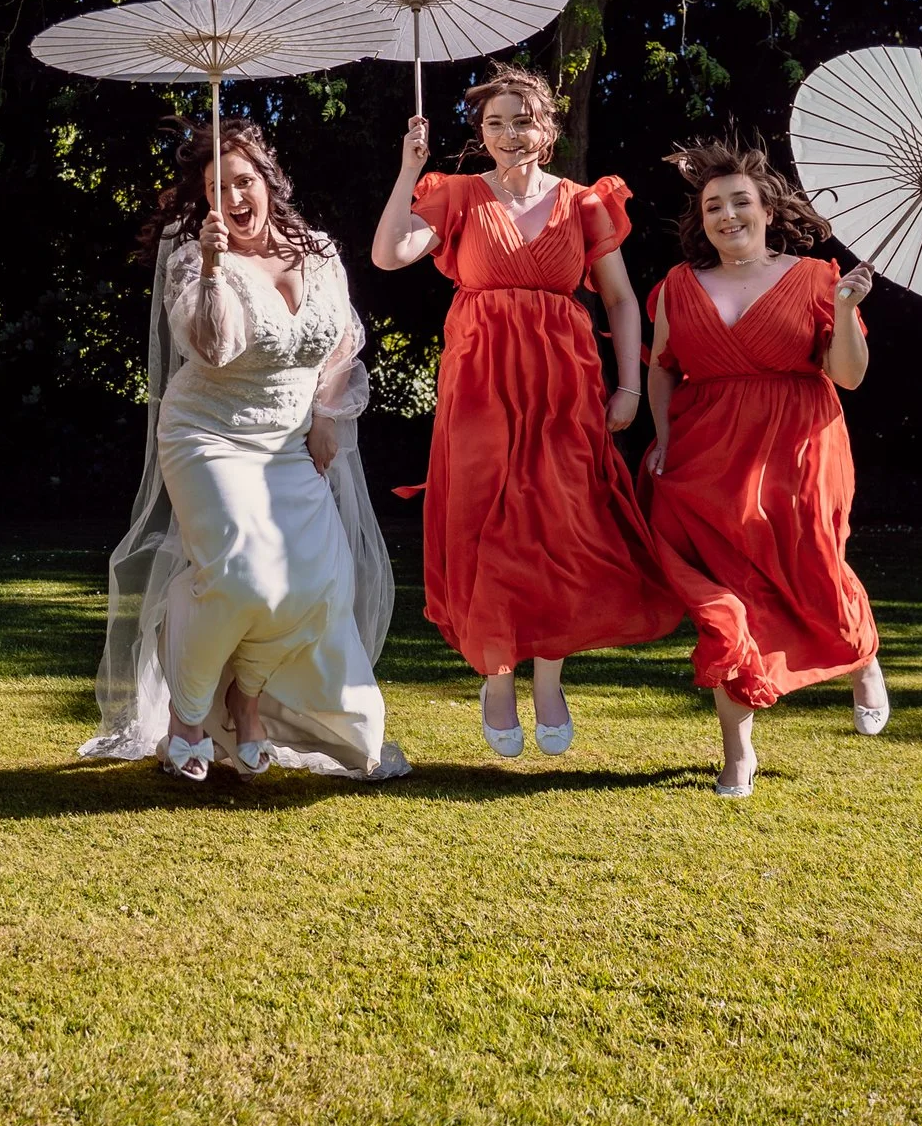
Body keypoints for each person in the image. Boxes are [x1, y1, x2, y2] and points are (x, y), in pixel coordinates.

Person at [371, 65, 680, 758]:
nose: (511, 134)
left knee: (561, 526)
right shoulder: (454, 196)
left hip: (565, 387)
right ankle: (497, 674)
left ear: (549, 128)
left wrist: (628, 386)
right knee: (491, 527)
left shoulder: (584, 203)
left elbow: (623, 301)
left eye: (523, 120)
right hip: (481, 387)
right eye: (495, 123)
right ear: (480, 134)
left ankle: (549, 675)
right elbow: (390, 254)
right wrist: (407, 169)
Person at [85, 121, 407, 783]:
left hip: (290, 439)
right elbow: (212, 347)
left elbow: (341, 340)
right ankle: (187, 717)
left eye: (242, 181)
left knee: (315, 582)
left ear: (268, 182)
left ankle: (248, 698)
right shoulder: (192, 258)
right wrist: (209, 265)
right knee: (237, 572)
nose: (233, 196)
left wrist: (324, 412)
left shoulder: (316, 249)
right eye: (216, 188)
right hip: (208, 433)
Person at [642, 138, 888, 797]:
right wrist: (662, 438)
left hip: (799, 450)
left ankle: (861, 654)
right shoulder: (676, 286)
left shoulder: (817, 277)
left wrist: (843, 310)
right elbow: (661, 368)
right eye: (713, 205)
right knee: (727, 601)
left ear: (768, 209)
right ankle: (737, 754)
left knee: (815, 568)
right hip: (705, 459)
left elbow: (849, 376)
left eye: (740, 202)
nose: (727, 215)